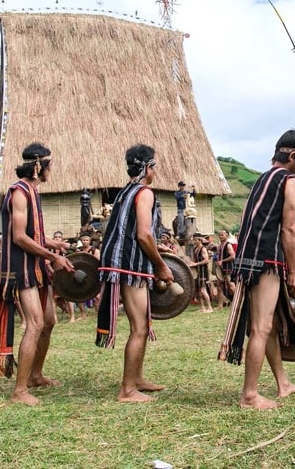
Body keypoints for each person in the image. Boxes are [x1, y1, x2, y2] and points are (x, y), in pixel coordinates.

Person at [219, 127, 295, 409]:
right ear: (293, 155)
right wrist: (294, 272)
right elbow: (289, 229)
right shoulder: (290, 181)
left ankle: (283, 383)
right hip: (267, 261)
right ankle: (249, 395)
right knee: (261, 328)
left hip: (247, 261)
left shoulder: (262, 179)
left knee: (266, 327)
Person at [0, 143, 74, 405]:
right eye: (49, 166)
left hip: (37, 266)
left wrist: (53, 244)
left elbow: (33, 234)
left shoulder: (33, 192)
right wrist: (53, 257)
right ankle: (19, 391)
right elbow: (19, 237)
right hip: (22, 267)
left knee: (49, 321)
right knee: (35, 324)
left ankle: (35, 375)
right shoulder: (18, 192)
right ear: (38, 166)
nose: (51, 172)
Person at [95, 144, 174, 403]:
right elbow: (142, 234)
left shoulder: (124, 192)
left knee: (140, 324)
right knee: (139, 327)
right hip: (129, 265)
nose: (155, 171)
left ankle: (137, 379)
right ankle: (127, 390)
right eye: (155, 166)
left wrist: (156, 246)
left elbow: (129, 230)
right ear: (148, 168)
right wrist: (161, 265)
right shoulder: (145, 192)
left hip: (120, 260)